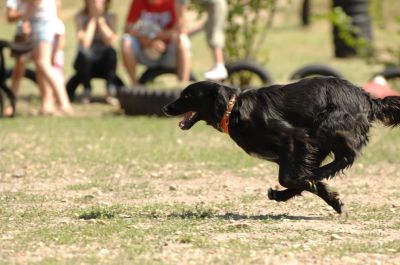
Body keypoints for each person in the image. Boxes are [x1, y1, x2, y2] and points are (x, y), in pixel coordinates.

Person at [121, 0, 191, 85]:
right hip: (145, 51)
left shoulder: (174, 2)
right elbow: (128, 28)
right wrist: (148, 41)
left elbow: (180, 29)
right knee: (126, 40)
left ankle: (183, 85)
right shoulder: (138, 2)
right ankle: (135, 84)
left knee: (183, 39)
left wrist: (158, 38)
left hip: (169, 53)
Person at [22, 0, 72, 115]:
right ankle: (46, 104)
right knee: (40, 66)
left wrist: (24, 18)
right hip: (37, 23)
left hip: (43, 24)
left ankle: (64, 103)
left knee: (43, 64)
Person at [72, 0, 118, 104]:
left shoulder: (111, 16)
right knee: (84, 53)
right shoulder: (80, 16)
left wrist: (100, 20)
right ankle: (87, 90)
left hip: (104, 61)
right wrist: (92, 20)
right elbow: (85, 43)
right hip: (86, 62)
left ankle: (109, 91)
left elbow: (110, 41)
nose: (96, 3)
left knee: (111, 52)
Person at [178, 0, 228, 80]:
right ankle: (218, 65)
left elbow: (181, 9)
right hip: (214, 7)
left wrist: (181, 24)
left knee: (214, 35)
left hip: (217, 6)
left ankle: (219, 65)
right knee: (209, 31)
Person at [5, 0, 29, 116]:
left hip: (44, 30)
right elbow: (9, 17)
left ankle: (50, 101)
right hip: (22, 34)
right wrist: (25, 13)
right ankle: (11, 102)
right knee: (18, 71)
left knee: (44, 66)